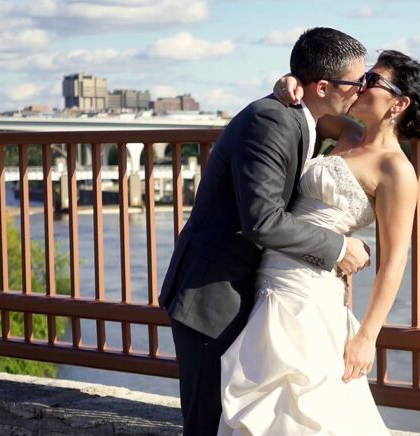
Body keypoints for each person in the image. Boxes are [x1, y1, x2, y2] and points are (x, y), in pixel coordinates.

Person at [158, 27, 373, 436]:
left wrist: (291, 80)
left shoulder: (303, 117)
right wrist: (337, 247)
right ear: (323, 86)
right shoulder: (271, 121)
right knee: (207, 425)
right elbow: (261, 220)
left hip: (256, 295)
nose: (361, 90)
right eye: (355, 82)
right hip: (213, 298)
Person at [218, 49, 420, 435]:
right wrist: (287, 84)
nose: (361, 84)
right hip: (268, 275)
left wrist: (366, 337)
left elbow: (394, 262)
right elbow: (308, 106)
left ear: (399, 104)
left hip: (309, 291)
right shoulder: (345, 131)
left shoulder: (397, 171)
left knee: (305, 404)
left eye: (373, 80)